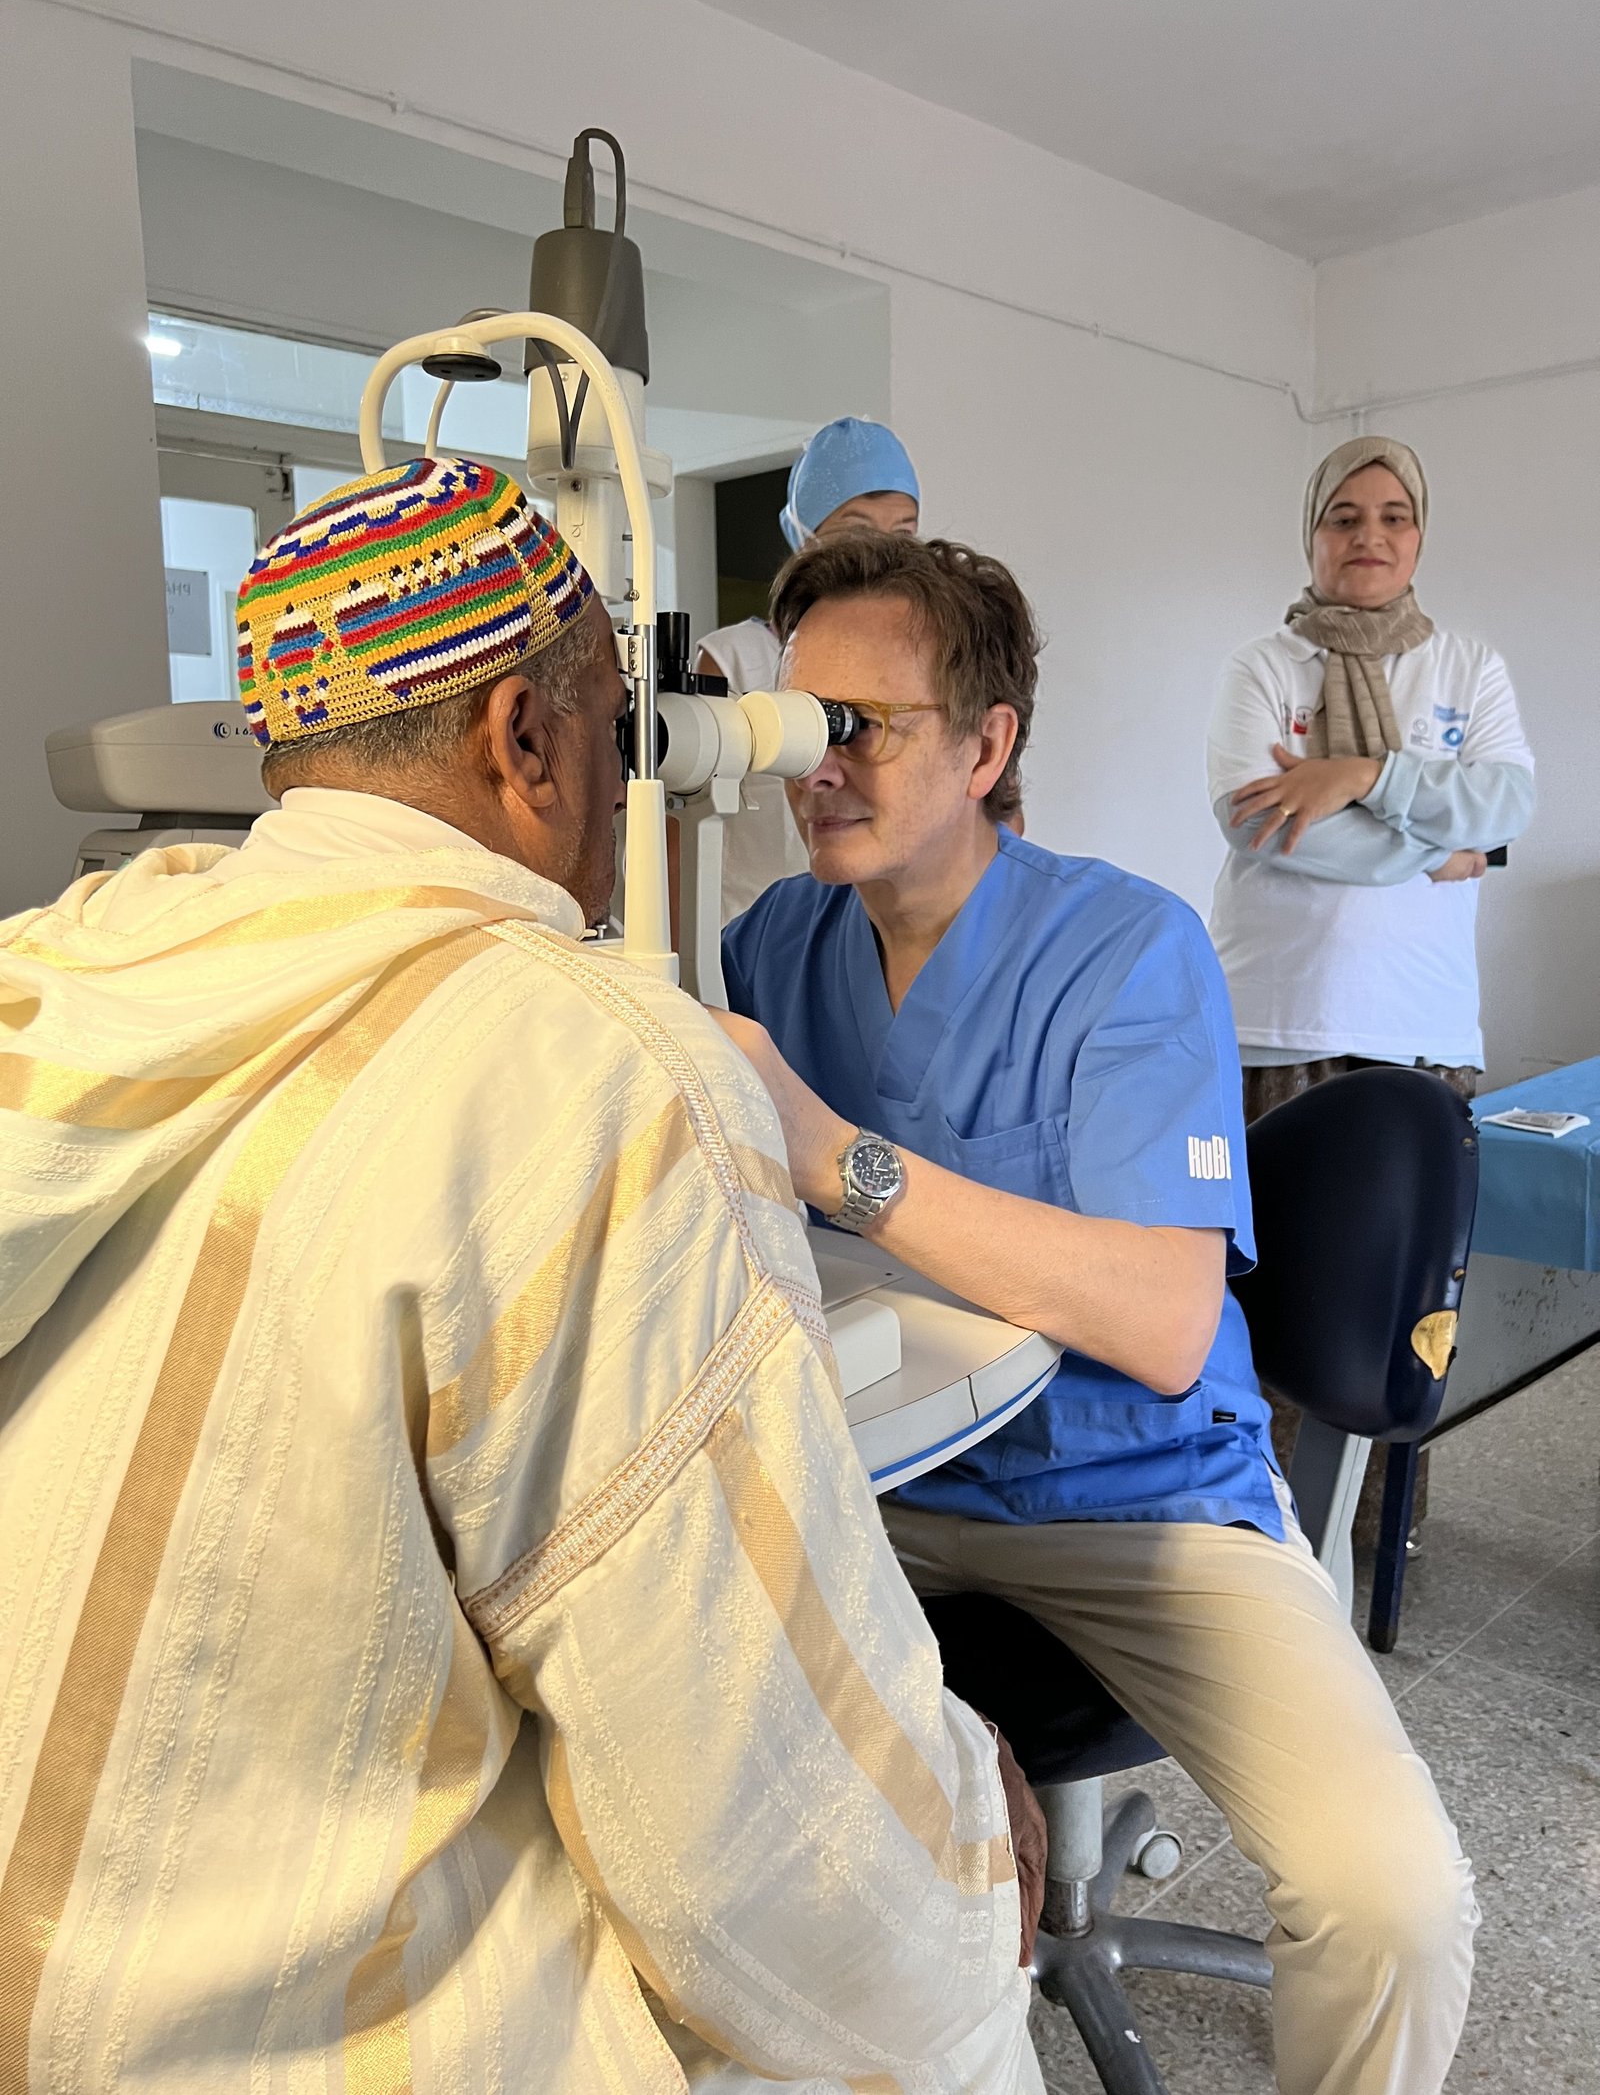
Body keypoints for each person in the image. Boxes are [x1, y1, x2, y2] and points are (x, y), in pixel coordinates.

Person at [0, 459, 1044, 2093]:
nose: (636, 781)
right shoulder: (602, 1054)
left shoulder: (65, 965)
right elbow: (774, 1846)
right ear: (526, 737)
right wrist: (970, 1851)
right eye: (618, 733)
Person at [718, 530, 1478, 2095]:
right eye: (797, 725)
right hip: (868, 1486)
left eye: (865, 726)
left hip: (1133, 1498)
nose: (818, 765)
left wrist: (838, 1153)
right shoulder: (773, 945)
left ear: (987, 746)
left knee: (1393, 1903)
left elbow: (1161, 1320)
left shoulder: (1127, 950)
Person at [1207, 434, 1535, 1126]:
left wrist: (1366, 776)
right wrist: (1434, 855)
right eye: (1344, 517)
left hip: (1424, 1024)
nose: (1369, 536)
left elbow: (1505, 806)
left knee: (1415, 1204)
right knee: (1272, 1203)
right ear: (1313, 533)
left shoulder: (1470, 668)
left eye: (1394, 516)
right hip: (1276, 1022)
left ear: (1419, 536)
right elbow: (1256, 821)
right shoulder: (1263, 666)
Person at [697, 417, 922, 921]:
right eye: (856, 530)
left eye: (904, 532)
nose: (883, 551)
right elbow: (682, 825)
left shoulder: (921, 660)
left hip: (870, 927)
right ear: (803, 536)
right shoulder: (733, 660)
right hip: (747, 932)